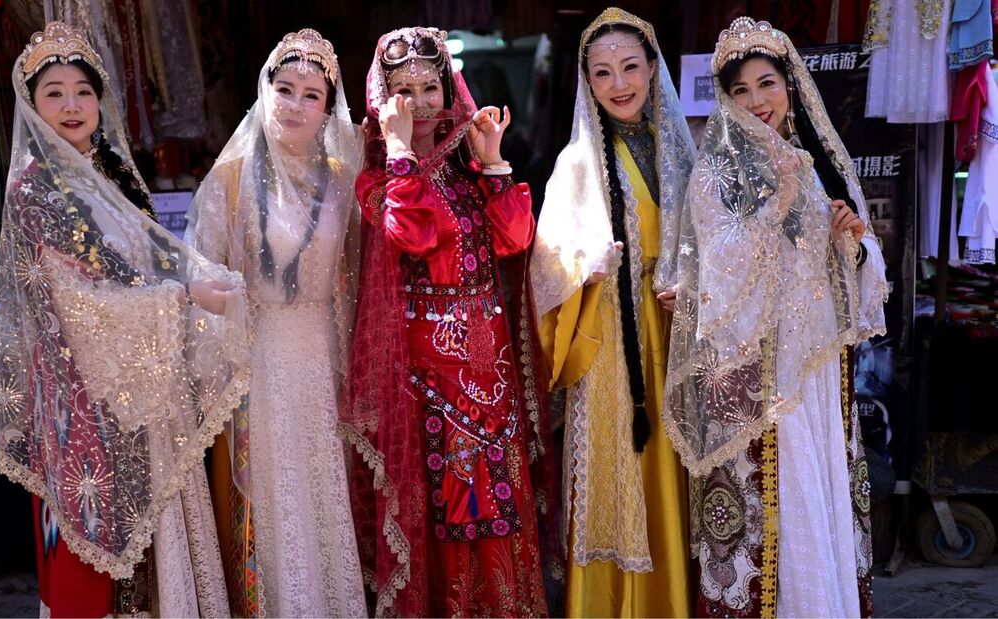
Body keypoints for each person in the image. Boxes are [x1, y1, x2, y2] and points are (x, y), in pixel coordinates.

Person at [0, 21, 249, 617]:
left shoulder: (107, 174)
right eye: (54, 92)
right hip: (81, 395)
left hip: (139, 378)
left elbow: (149, 264)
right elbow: (80, 305)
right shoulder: (36, 193)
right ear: (32, 105)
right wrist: (185, 300)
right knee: (91, 545)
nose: (72, 105)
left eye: (83, 90)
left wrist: (187, 282)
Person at [662, 17, 889, 617]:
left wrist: (853, 243)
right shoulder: (716, 175)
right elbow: (718, 273)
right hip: (754, 370)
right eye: (740, 91)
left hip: (814, 371)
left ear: (790, 85)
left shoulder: (818, 161)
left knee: (817, 499)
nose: (756, 101)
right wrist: (777, 204)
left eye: (766, 84)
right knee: (773, 502)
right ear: (727, 101)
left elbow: (861, 270)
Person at [340, 26, 550, 617]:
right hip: (427, 378)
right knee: (447, 508)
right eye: (401, 91)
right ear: (381, 103)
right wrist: (402, 150)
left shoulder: (466, 167)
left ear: (448, 88)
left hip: (490, 363)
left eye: (429, 88)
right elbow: (414, 233)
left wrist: (493, 163)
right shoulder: (378, 180)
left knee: (496, 499)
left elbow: (515, 240)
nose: (418, 104)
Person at [186, 28, 367, 618]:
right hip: (257, 363)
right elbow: (202, 279)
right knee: (272, 499)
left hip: (324, 358)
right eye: (283, 88)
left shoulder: (345, 180)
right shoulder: (229, 181)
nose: (294, 105)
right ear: (264, 91)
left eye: (311, 94)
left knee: (323, 493)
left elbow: (364, 278)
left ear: (328, 107)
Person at [530, 8, 695, 617]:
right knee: (619, 474)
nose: (620, 83)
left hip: (674, 335)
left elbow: (714, 246)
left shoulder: (682, 156)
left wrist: (695, 287)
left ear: (653, 68)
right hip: (607, 348)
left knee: (672, 477)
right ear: (587, 83)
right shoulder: (576, 166)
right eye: (603, 73)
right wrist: (583, 269)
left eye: (630, 66)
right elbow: (544, 267)